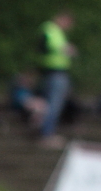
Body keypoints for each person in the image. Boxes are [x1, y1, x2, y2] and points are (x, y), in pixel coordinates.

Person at [38, 11, 76, 148]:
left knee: (51, 104)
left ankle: (47, 133)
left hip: (53, 73)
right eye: (68, 22)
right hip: (55, 73)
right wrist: (68, 50)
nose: (68, 26)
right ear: (61, 18)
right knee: (53, 104)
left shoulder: (54, 30)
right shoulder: (51, 29)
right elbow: (53, 45)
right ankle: (47, 135)